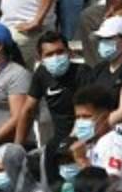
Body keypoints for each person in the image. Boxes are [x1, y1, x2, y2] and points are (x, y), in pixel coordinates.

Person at [18, 31, 91, 173]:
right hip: (57, 141)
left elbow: (88, 113)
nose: (56, 57)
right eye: (49, 54)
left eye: (60, 52)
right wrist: (18, 147)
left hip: (83, 141)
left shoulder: (83, 73)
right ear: (40, 58)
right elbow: (28, 110)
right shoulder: (41, 74)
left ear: (69, 52)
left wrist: (74, 143)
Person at [70, 85, 122, 192]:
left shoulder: (114, 143)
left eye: (86, 117)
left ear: (105, 117)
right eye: (78, 117)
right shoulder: (89, 145)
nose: (80, 122)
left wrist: (82, 161)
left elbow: (106, 187)